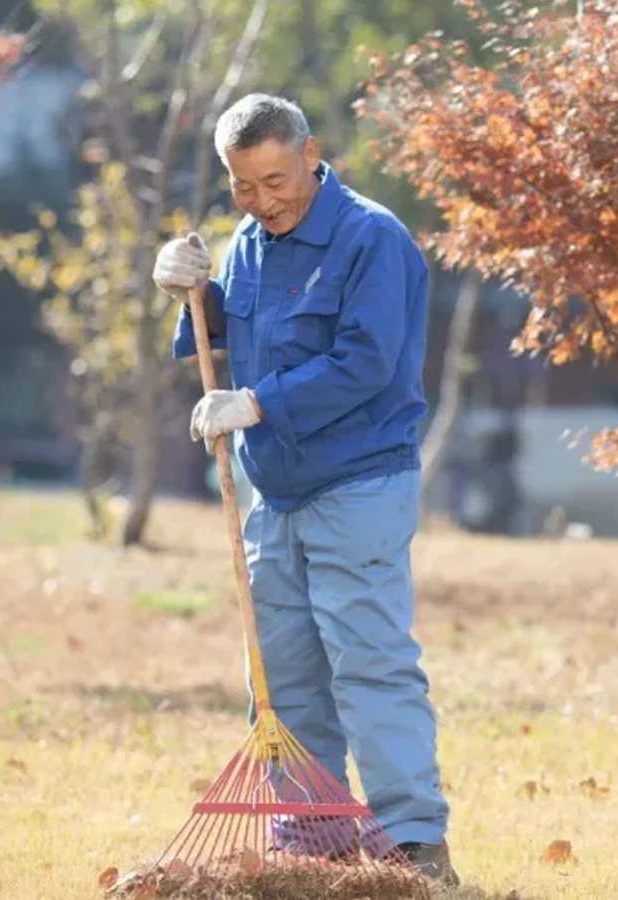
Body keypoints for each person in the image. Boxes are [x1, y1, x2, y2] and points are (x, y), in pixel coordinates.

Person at [150, 93, 457, 886]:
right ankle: (311, 843)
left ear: (310, 153)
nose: (262, 200)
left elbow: (365, 362)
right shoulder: (250, 244)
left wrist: (255, 404)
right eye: (243, 187)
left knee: (368, 663)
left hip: (358, 482)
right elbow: (239, 331)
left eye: (275, 180)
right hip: (274, 493)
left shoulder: (370, 240)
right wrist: (191, 293)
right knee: (281, 672)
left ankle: (414, 843)